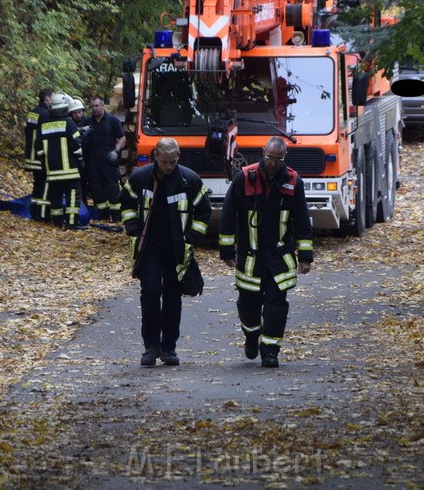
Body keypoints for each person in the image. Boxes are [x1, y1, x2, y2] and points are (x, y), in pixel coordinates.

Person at [218, 136, 313, 368]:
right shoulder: (245, 178)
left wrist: (305, 256)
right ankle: (252, 337)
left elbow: (301, 219)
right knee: (248, 305)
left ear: (284, 158)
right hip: (251, 258)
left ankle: (270, 351)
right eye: (270, 157)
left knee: (276, 306)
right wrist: (227, 251)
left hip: (279, 258)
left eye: (278, 159)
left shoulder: (292, 181)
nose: (273, 163)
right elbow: (228, 214)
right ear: (263, 152)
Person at [120, 138, 211, 367]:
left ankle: (169, 348)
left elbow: (203, 213)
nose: (169, 166)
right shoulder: (141, 178)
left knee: (172, 295)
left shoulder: (188, 180)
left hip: (176, 248)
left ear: (178, 156)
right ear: (155, 157)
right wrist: (133, 229)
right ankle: (150, 347)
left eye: (173, 161)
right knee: (149, 292)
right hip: (149, 245)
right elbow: (126, 204)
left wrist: (190, 238)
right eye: (164, 162)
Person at [40, 92, 87, 229]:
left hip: (52, 171)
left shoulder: (44, 125)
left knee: (55, 197)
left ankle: (57, 222)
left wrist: (46, 162)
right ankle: (72, 223)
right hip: (70, 171)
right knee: (73, 195)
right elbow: (76, 145)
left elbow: (39, 149)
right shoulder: (68, 123)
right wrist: (80, 162)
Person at [84, 96, 126, 221]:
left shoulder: (112, 120)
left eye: (96, 106)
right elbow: (76, 131)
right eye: (92, 106)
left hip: (109, 162)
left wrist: (116, 150)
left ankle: (117, 217)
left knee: (113, 189)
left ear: (103, 106)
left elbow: (122, 138)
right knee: (97, 190)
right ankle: (103, 217)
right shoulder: (87, 122)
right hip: (93, 163)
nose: (94, 109)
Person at [25, 89, 54, 221]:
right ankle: (42, 215)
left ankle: (34, 212)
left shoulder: (33, 113)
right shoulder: (46, 114)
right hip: (40, 157)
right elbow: (44, 137)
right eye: (52, 97)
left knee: (37, 185)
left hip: (31, 157)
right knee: (44, 186)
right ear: (47, 98)